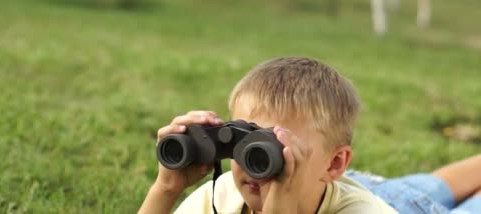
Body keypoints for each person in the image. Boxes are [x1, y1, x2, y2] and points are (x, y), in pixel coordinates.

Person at [138, 56, 481, 213]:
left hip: (389, 205)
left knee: (428, 196)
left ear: (334, 162)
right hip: (344, 187)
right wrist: (165, 189)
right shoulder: (224, 195)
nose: (255, 167)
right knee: (429, 184)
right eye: (250, 149)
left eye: (271, 153)